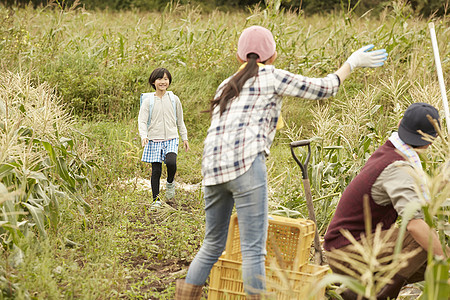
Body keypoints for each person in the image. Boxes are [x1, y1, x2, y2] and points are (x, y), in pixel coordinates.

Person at [175, 25, 387, 299]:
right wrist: (352, 63)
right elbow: (325, 88)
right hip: (246, 165)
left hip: (212, 170)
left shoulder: (226, 84)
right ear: (272, 55)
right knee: (253, 249)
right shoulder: (271, 76)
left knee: (212, 244)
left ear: (239, 57)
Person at [323, 103, 448, 300]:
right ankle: (375, 296)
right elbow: (416, 226)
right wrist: (445, 263)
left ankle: (358, 291)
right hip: (347, 250)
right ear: (430, 141)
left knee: (429, 255)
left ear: (400, 124)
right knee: (423, 241)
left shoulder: (391, 150)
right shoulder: (398, 167)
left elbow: (416, 201)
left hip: (353, 243)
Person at [138, 67, 189, 207]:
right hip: (154, 139)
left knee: (171, 162)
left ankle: (170, 182)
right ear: (153, 82)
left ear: (169, 81)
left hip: (172, 138)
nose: (163, 82)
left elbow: (180, 120)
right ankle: (156, 200)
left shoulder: (174, 99)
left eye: (166, 79)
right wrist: (144, 136)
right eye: (160, 79)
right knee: (156, 170)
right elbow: (142, 121)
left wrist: (184, 138)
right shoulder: (148, 101)